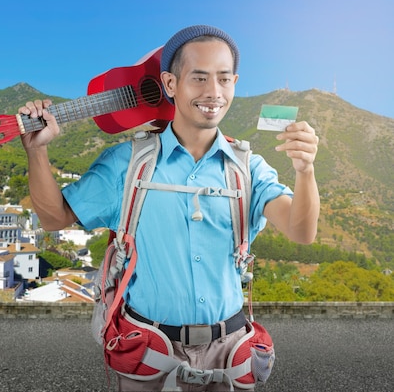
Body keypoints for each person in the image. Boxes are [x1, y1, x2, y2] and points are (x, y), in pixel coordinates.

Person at [19, 25, 320, 391]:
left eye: (225, 79)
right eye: (199, 78)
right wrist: (37, 150)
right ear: (170, 83)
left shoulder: (248, 169)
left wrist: (305, 171)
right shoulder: (127, 165)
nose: (214, 92)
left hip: (231, 355)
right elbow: (54, 218)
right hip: (149, 355)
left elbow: (301, 232)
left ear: (235, 83)